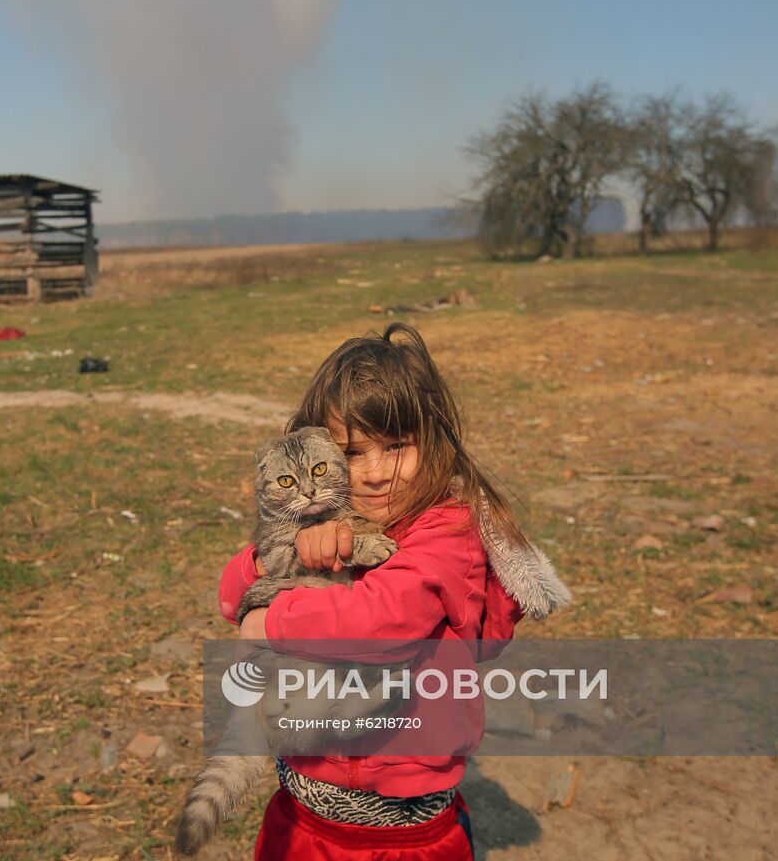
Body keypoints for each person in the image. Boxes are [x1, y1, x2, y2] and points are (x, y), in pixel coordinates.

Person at [217, 322, 572, 860]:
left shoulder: (446, 532)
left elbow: (384, 625)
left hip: (403, 834)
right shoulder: (333, 519)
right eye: (353, 453)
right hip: (306, 808)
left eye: (398, 446)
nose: (376, 474)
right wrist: (274, 556)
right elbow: (230, 592)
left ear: (435, 441)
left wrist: (270, 621)